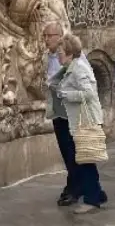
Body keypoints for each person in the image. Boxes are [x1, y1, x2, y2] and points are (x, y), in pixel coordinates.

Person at [49, 33, 109, 215]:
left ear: (69, 53)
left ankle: (92, 199)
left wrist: (65, 95)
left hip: (84, 121)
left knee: (84, 160)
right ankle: (97, 194)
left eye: (60, 51)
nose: (57, 55)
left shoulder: (78, 68)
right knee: (84, 158)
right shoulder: (70, 67)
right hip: (78, 121)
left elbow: (89, 93)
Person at [43, 21, 80, 207]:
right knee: (66, 151)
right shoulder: (48, 57)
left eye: (50, 36)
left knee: (73, 151)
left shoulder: (72, 56)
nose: (46, 39)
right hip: (57, 112)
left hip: (70, 111)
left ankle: (74, 188)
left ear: (59, 36)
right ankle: (73, 184)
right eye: (45, 36)